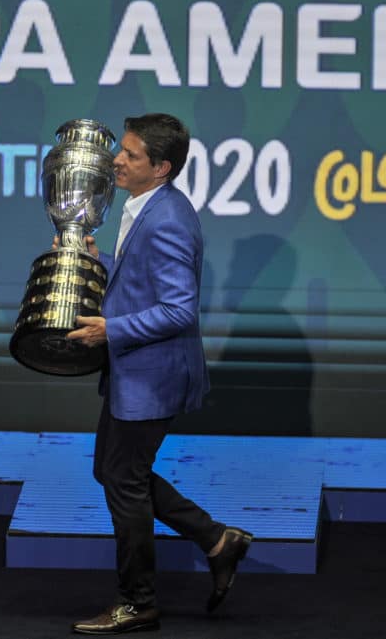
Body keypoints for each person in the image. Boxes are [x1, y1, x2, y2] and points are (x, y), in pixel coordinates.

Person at [64, 113, 252, 634]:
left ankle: (138, 601)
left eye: (131, 154)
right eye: (120, 150)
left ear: (162, 167)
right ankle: (217, 540)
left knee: (122, 480)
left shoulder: (168, 217)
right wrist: (93, 260)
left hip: (152, 376)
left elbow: (179, 309)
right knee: (116, 471)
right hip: (137, 372)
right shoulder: (144, 205)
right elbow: (139, 281)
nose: (117, 160)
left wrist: (110, 330)